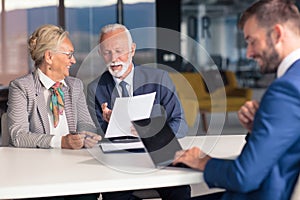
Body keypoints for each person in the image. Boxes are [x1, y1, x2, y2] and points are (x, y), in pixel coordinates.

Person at [173, 0, 300, 199]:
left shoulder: (286, 90)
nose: (249, 53)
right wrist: (260, 126)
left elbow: (244, 177)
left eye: (252, 41)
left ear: (276, 34)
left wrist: (201, 161)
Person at [87, 23, 190, 200]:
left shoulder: (159, 78)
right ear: (100, 54)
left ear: (132, 50)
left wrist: (154, 134)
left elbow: (180, 122)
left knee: (180, 191)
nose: (114, 58)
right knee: (115, 197)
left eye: (119, 51)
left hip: (158, 155)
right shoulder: (95, 88)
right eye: (107, 52)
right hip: (119, 161)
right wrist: (111, 124)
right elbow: (96, 138)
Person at [7, 24, 101, 200]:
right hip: (36, 172)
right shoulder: (21, 87)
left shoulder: (75, 86)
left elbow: (87, 124)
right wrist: (61, 142)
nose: (73, 60)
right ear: (49, 57)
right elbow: (18, 135)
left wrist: (86, 136)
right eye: (69, 54)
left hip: (75, 167)